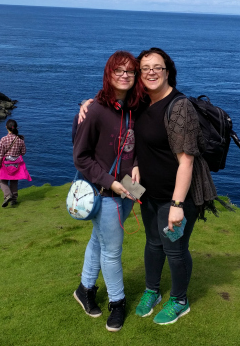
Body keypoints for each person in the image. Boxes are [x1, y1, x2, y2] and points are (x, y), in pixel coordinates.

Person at [79, 47, 217, 325]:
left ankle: (179, 300)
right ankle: (152, 291)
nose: (151, 72)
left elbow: (187, 161)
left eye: (158, 67)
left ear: (168, 72)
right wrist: (88, 102)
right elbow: (113, 105)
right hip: (147, 192)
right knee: (153, 243)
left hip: (176, 196)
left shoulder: (179, 107)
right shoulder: (142, 103)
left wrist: (178, 205)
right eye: (145, 68)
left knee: (175, 249)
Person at [72, 50, 144, 332]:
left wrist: (136, 164)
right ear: (109, 74)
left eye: (130, 71)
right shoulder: (94, 110)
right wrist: (109, 182)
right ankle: (118, 302)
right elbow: (81, 157)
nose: (125, 75)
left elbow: (137, 145)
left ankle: (84, 288)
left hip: (129, 187)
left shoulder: (135, 108)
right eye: (119, 70)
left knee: (99, 239)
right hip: (105, 190)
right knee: (112, 250)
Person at [0, 119, 28, 207]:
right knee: (14, 181)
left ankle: (7, 195)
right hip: (16, 164)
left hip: (5, 164)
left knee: (2, 181)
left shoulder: (3, 139)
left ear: (6, 127)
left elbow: (0, 154)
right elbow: (23, 152)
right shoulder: (20, 140)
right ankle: (13, 199)